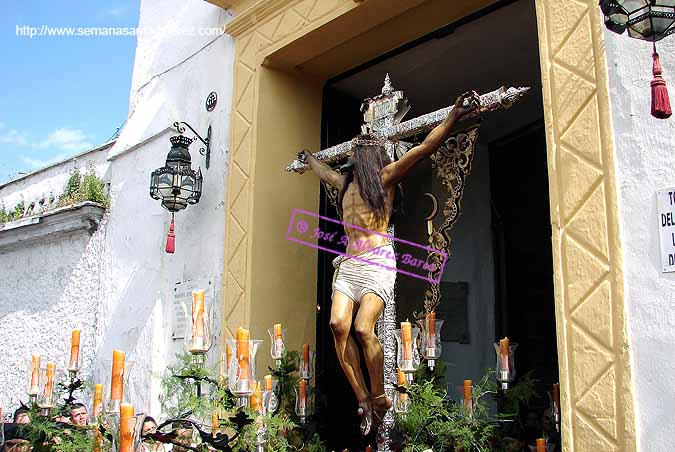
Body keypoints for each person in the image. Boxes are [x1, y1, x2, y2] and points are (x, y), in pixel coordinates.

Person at [299, 91, 480, 435]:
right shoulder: (345, 183)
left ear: (367, 157)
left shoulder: (384, 179)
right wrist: (309, 158)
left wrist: (454, 115)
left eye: (356, 153)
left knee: (364, 328)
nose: (350, 158)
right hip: (349, 263)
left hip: (377, 262)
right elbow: (325, 172)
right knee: (338, 325)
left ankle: (379, 394)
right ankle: (363, 397)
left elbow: (423, 148)